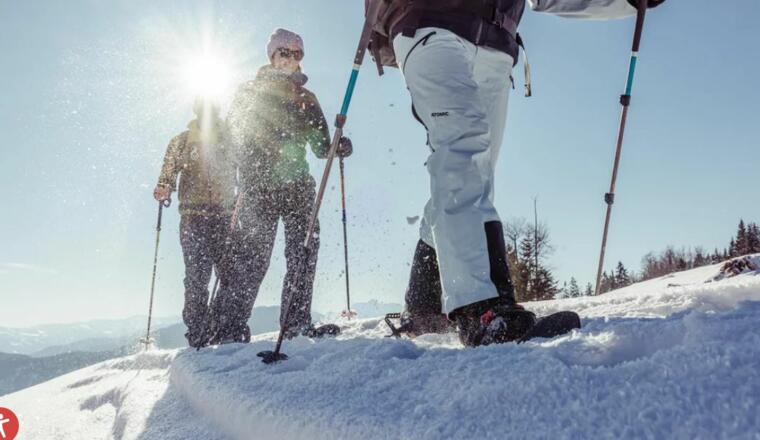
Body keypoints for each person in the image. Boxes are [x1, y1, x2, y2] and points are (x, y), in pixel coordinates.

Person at [367, 0, 661, 346]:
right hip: (430, 24)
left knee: (476, 171)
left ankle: (425, 304)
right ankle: (481, 309)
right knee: (462, 149)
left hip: (496, 43)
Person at [210, 28, 352, 342]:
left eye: (297, 54)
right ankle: (229, 329)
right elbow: (230, 138)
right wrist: (239, 166)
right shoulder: (249, 92)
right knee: (252, 257)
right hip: (259, 185)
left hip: (298, 186)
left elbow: (320, 146)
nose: (291, 59)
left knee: (303, 252)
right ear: (272, 55)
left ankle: (296, 323)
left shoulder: (306, 98)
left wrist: (336, 147)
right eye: (284, 52)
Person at [154, 98, 237, 347]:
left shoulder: (231, 140)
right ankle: (198, 331)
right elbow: (167, 172)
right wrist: (164, 186)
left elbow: (247, 166)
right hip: (194, 217)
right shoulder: (181, 141)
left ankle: (222, 328)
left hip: (224, 216)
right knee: (197, 276)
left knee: (230, 275)